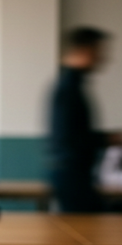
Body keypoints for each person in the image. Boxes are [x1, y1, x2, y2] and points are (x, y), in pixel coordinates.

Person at [48, 26, 112, 213]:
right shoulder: (68, 89)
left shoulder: (72, 85)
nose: (102, 58)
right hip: (72, 176)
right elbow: (71, 139)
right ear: (86, 50)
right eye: (98, 51)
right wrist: (107, 139)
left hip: (74, 175)